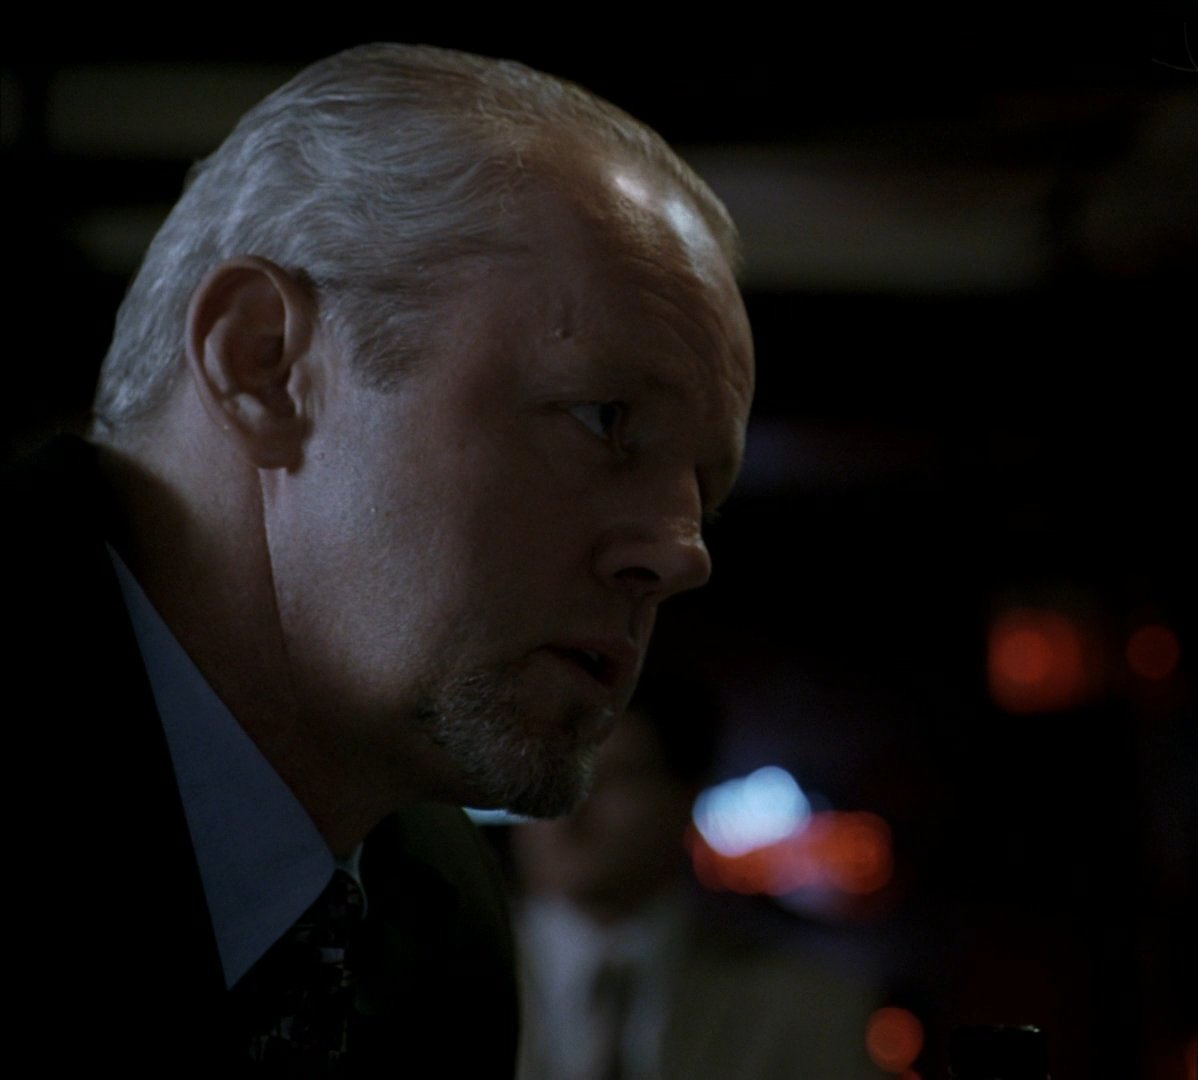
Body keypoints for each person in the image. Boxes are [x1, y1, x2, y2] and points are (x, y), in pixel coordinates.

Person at [7, 43, 753, 1075]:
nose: (681, 552)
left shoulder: (443, 924)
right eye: (604, 417)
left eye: (704, 490)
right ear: (266, 365)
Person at [512, 675, 884, 1080]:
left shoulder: (809, 1009)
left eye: (614, 781)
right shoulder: (464, 974)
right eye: (544, 781)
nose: (567, 816)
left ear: (684, 797)